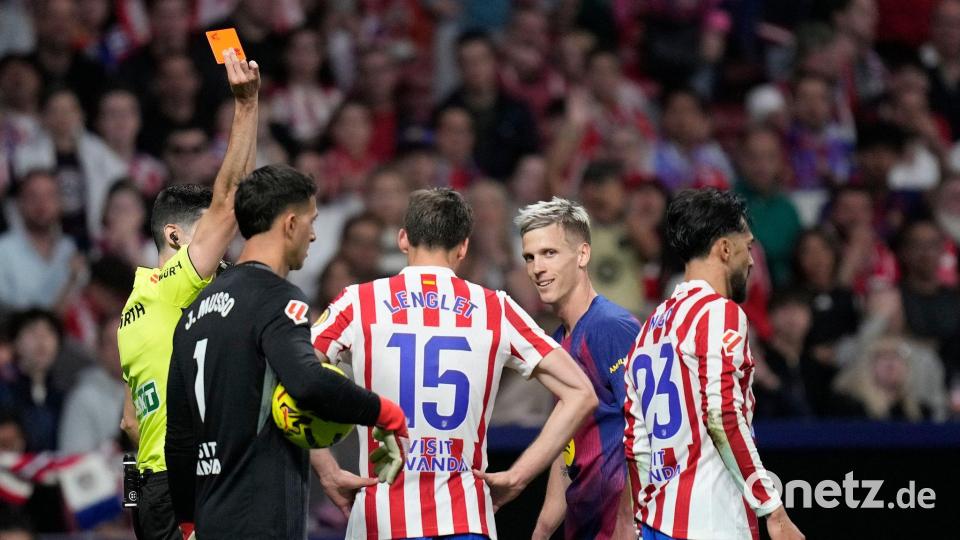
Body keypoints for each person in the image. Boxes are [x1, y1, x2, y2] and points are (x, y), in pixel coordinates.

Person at [309, 188, 597, 539]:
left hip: (381, 521)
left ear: (403, 239)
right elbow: (581, 393)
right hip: (466, 519)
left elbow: (293, 377)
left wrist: (326, 469)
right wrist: (519, 476)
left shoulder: (357, 303)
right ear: (463, 247)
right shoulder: (496, 309)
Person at [165, 164, 409, 540]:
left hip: (210, 518)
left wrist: (187, 522)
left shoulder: (193, 315)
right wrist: (384, 412)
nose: (313, 236)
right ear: (290, 223)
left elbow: (179, 439)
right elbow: (308, 382)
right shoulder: (277, 298)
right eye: (311, 221)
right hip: (262, 520)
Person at [116, 49, 260, 540]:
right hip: (188, 488)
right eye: (208, 234)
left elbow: (129, 424)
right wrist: (245, 106)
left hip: (154, 495)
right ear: (176, 238)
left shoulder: (132, 311)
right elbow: (232, 199)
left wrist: (134, 506)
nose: (222, 245)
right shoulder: (174, 284)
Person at [624, 188, 803, 540]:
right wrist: (773, 509)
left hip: (657, 524)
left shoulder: (650, 328)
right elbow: (722, 414)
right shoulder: (719, 312)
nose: (751, 261)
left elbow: (635, 443)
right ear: (724, 248)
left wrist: (642, 521)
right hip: (712, 522)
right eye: (748, 247)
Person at [516, 198, 640, 540]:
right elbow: (566, 445)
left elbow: (646, 429)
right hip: (584, 526)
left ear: (583, 255)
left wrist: (627, 522)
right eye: (530, 257)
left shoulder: (611, 327)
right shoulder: (558, 341)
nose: (537, 268)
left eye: (549, 253)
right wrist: (542, 530)